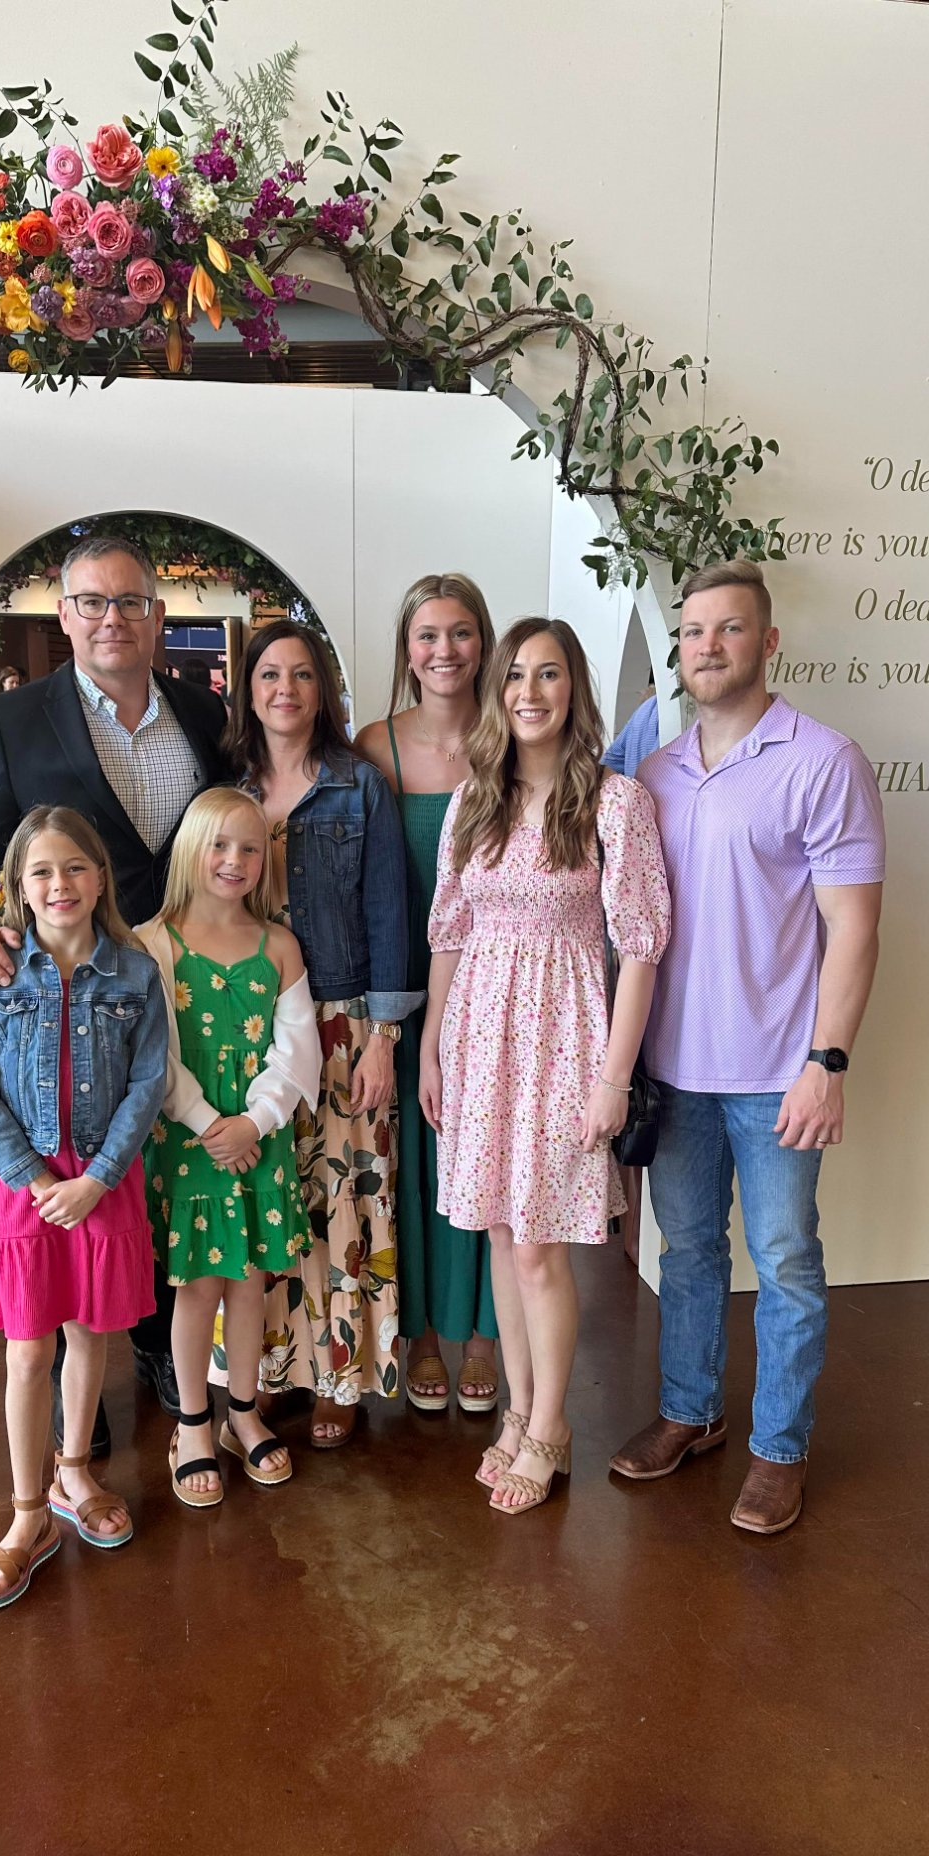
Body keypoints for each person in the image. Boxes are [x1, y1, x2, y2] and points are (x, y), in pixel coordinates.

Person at [0, 535, 232, 1441]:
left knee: (158, 1171)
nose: (114, 618)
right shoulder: (13, 722)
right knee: (71, 1160)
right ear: (64, 617)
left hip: (172, 978)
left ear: (158, 616)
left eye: (131, 602)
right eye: (93, 603)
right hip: (66, 979)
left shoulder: (201, 714)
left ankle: (144, 1336)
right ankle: (72, 1384)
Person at [609, 559, 884, 1535]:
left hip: (778, 1076)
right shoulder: (652, 772)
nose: (708, 647)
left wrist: (829, 1059)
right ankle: (692, 1410)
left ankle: (779, 1448)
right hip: (674, 1072)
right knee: (686, 1251)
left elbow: (854, 926)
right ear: (677, 651)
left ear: (768, 642)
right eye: (692, 633)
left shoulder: (823, 759)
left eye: (729, 629)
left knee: (784, 1262)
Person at [421, 617, 670, 1515]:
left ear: (575, 691)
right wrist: (434, 1048)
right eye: (515, 675)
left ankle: (553, 1425)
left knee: (538, 1248)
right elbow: (450, 932)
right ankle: (522, 1413)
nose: (530, 691)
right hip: (480, 1035)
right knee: (496, 1231)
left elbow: (640, 948)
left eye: (549, 674)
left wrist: (613, 1075)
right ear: (497, 693)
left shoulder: (614, 803)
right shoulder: (472, 800)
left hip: (563, 1037)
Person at [0, 806, 168, 1609]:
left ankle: (76, 1472)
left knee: (89, 1333)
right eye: (41, 871)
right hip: (24, 1188)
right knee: (26, 1350)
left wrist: (100, 1177)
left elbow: (148, 1082)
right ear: (17, 888)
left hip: (101, 1184)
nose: (59, 884)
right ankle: (27, 1513)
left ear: (100, 877)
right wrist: (36, 1179)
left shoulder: (135, 973)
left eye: (74, 867)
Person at [228, 619, 414, 1447]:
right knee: (266, 1200)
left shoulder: (356, 783)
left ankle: (340, 1373)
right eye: (270, 674)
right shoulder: (224, 786)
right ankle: (267, 1374)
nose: (286, 690)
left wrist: (382, 1037)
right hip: (246, 1024)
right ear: (249, 687)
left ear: (324, 690)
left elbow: (387, 910)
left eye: (302, 675)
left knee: (344, 1205)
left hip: (342, 1024)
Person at [134, 788, 321, 1506]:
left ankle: (244, 1411)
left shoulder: (278, 945)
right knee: (198, 1286)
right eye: (219, 845)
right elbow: (158, 1054)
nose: (234, 861)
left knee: (249, 1283)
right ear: (191, 850)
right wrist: (212, 1124)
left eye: (249, 848)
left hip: (259, 1141)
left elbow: (296, 1048)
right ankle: (192, 1423)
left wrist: (257, 1121)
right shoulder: (155, 943)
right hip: (190, 1144)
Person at [357, 575, 501, 1417]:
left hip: (496, 989)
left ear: (482, 642)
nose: (443, 651)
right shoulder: (378, 744)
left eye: (459, 633)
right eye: (427, 636)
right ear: (407, 651)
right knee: (408, 1158)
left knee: (482, 1156)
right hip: (402, 986)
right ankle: (419, 1337)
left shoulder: (514, 733)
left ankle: (481, 1332)